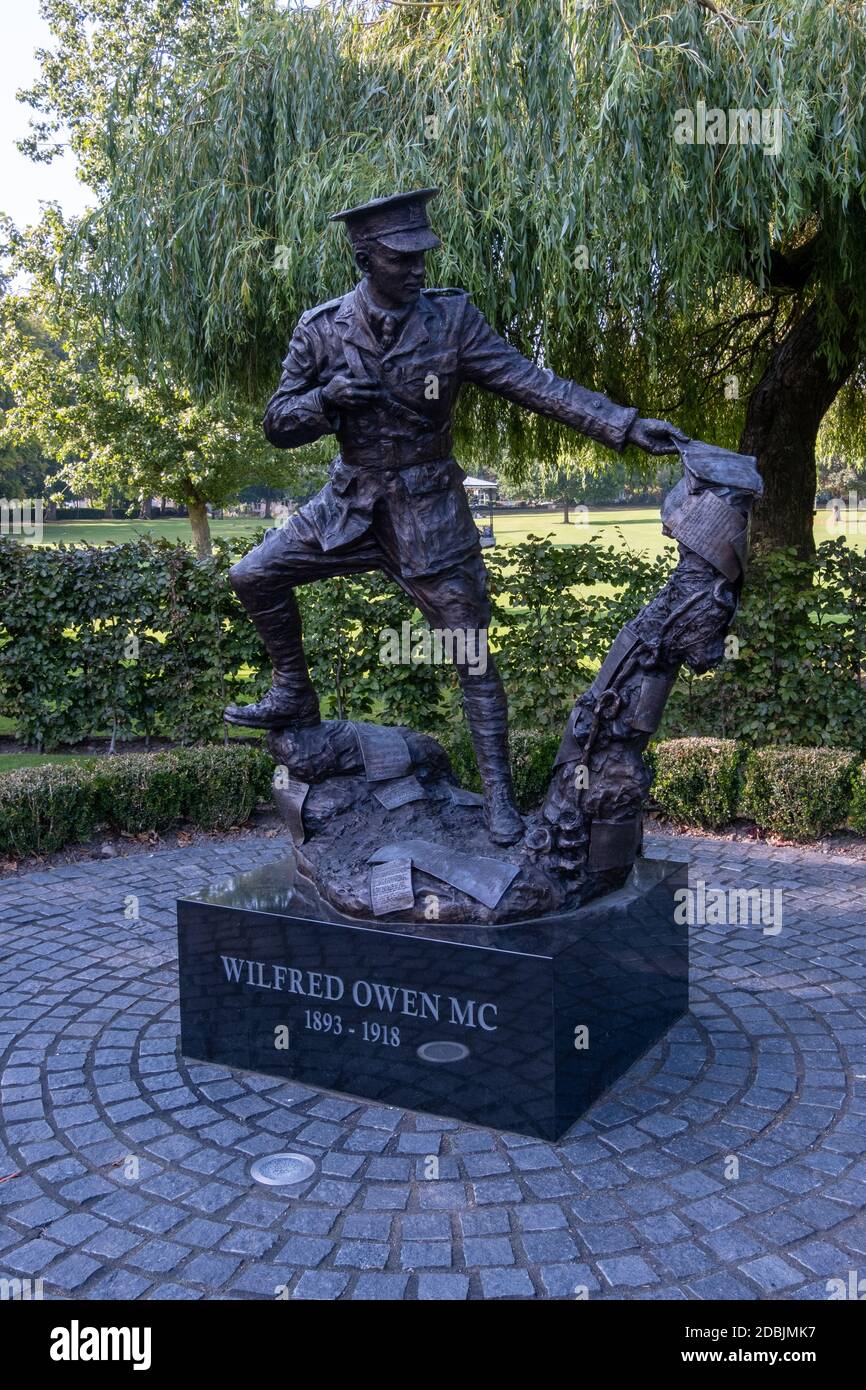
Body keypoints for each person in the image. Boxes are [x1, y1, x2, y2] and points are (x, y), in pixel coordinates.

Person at [225, 188, 683, 845]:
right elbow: (278, 424)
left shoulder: (453, 319)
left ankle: (500, 799)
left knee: (470, 655)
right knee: (252, 575)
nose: (418, 269)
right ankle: (293, 691)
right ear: (364, 257)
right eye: (400, 257)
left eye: (422, 256)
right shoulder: (321, 329)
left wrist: (625, 424)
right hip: (350, 505)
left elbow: (534, 384)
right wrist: (325, 399)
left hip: (428, 510)